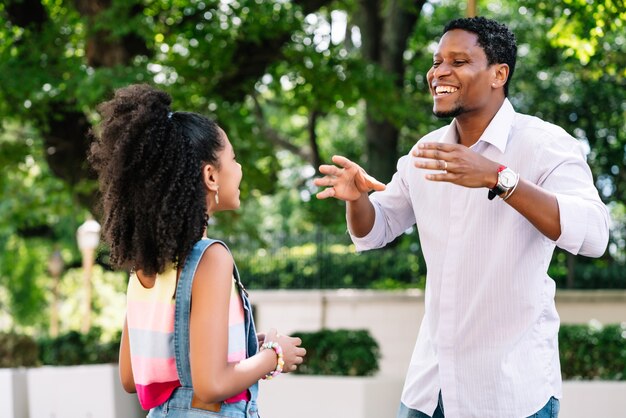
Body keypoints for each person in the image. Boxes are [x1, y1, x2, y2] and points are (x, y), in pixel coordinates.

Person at [314, 16, 610, 418]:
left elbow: (593, 235)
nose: (438, 72)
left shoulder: (545, 144)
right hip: (428, 389)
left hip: (509, 393)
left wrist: (496, 177)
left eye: (458, 61)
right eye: (436, 61)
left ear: (498, 74)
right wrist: (357, 199)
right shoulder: (425, 151)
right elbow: (376, 230)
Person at [89, 84, 306, 418]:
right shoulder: (211, 258)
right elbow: (210, 385)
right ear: (210, 176)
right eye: (233, 159)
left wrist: (245, 344)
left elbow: (132, 377)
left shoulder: (145, 266)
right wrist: (273, 357)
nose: (239, 168)